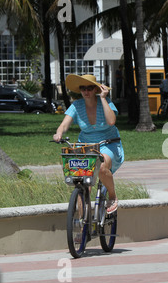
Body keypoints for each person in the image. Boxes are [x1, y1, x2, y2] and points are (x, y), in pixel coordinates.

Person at [53, 74, 124, 214]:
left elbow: (111, 122)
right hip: (85, 145)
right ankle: (82, 225)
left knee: (102, 166)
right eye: (83, 88)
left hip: (108, 144)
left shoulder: (106, 101)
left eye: (90, 88)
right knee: (82, 182)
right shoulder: (76, 105)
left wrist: (103, 98)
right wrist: (59, 133)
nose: (86, 91)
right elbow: (64, 124)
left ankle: (112, 195)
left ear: (96, 89)